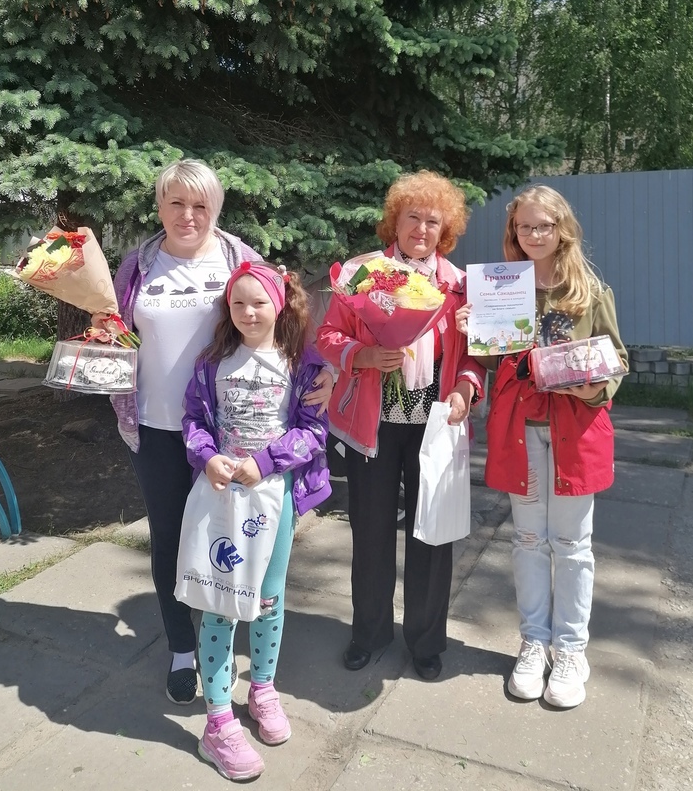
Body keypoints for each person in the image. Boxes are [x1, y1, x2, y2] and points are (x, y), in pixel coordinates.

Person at [105, 160, 332, 705]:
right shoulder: (137, 265)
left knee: (232, 538)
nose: (188, 215)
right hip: (158, 428)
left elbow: (284, 318)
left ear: (216, 209)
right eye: (176, 203)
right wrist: (101, 337)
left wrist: (321, 368)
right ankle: (184, 650)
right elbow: (113, 329)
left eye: (200, 205)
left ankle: (229, 642)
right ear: (159, 206)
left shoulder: (238, 257)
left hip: (233, 439)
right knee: (172, 539)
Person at [458, 185, 626, 709]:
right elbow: (493, 361)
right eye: (524, 227)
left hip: (575, 430)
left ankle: (571, 650)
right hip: (521, 429)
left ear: (562, 229)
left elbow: (616, 359)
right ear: (514, 232)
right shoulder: (501, 287)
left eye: (543, 226)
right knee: (529, 540)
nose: (533, 234)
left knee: (572, 545)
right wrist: (472, 332)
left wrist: (589, 386)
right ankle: (534, 641)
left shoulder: (589, 290)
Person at [316, 171, 486, 681]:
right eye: (413, 217)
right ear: (395, 221)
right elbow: (327, 336)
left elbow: (476, 356)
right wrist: (363, 354)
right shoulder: (362, 273)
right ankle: (368, 633)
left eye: (433, 221)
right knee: (370, 530)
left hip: (435, 423)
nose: (421, 229)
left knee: (432, 535)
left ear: (445, 230)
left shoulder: (460, 285)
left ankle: (426, 642)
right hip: (374, 424)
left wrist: (465, 389)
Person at [182, 261, 330, 781]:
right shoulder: (212, 362)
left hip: (273, 500)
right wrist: (207, 457)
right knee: (220, 603)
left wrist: (265, 462)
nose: (248, 312)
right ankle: (218, 720)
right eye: (238, 303)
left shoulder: (301, 364)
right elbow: (194, 421)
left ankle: (262, 689)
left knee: (268, 599)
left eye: (258, 302)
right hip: (222, 499)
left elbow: (314, 430)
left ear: (280, 304)